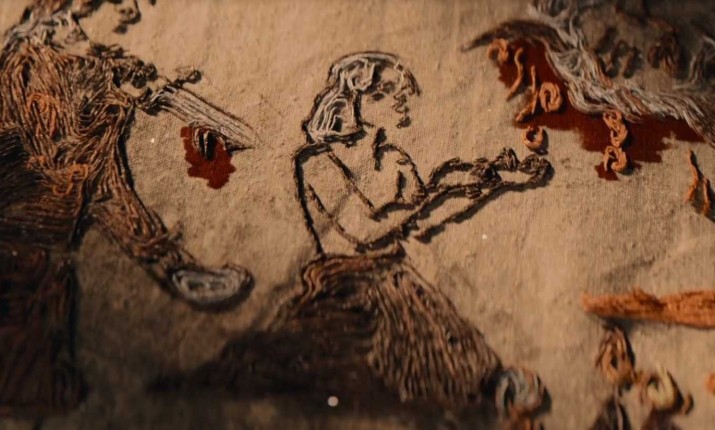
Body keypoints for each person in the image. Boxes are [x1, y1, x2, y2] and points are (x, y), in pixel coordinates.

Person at [177, 52, 552, 413]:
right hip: (346, 283)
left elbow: (421, 221)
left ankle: (488, 390)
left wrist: (487, 184)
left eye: (399, 91)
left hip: (399, 281)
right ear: (352, 101)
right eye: (383, 91)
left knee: (447, 354)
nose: (399, 98)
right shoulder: (318, 160)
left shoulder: (396, 160)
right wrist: (446, 190)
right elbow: (365, 231)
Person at [0, 0, 253, 416]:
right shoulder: (27, 68)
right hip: (18, 259)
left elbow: (107, 189)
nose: (132, 13)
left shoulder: (101, 80)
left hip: (48, 269)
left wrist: (171, 265)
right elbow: (52, 163)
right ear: (73, 12)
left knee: (39, 390)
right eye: (120, 3)